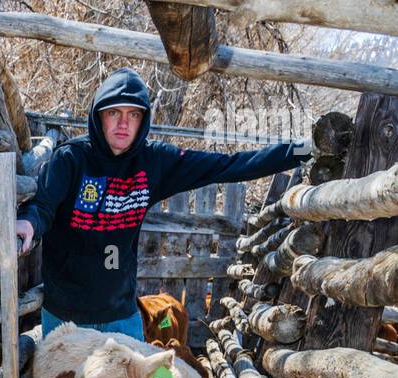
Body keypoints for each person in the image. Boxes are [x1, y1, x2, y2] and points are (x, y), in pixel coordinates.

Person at [17, 68, 311, 341]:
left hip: (121, 316)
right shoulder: (71, 159)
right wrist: (28, 224)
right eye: (114, 113)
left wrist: (301, 151)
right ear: (98, 115)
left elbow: (228, 165)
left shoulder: (153, 162)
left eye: (133, 115)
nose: (123, 123)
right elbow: (42, 206)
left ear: (143, 120)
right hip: (66, 316)